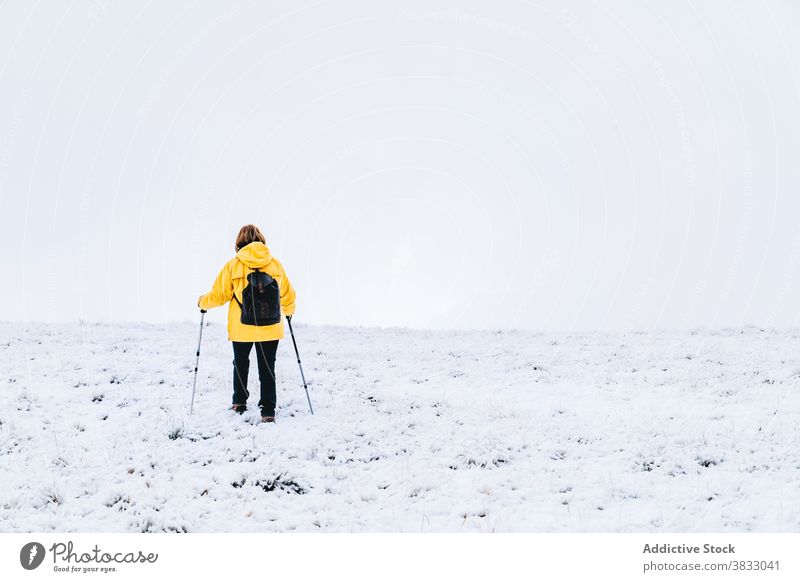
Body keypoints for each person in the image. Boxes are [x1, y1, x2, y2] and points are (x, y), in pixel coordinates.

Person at [198, 225, 296, 423]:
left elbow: (219, 295)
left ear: (239, 242)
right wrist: (289, 311)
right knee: (268, 367)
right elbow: (287, 294)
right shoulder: (275, 264)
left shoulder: (233, 266)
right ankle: (268, 411)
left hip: (242, 326)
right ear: (261, 239)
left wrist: (202, 302)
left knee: (240, 363)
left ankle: (239, 402)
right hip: (270, 326)